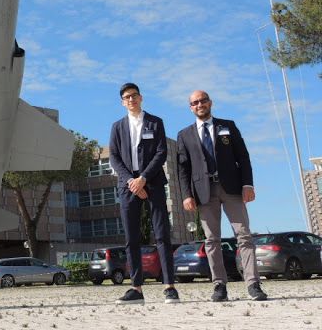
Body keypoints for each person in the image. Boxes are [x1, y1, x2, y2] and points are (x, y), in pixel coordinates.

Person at [176, 90, 267, 302]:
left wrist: (247, 184)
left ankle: (253, 284)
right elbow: (183, 169)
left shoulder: (228, 126)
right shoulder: (184, 135)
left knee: (244, 235)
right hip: (204, 193)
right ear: (191, 107)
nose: (200, 104)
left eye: (203, 100)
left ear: (210, 103)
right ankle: (219, 285)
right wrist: (187, 194)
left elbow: (243, 156)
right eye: (195, 102)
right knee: (211, 240)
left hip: (232, 188)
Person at [108, 83, 179, 304]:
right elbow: (114, 157)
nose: (131, 100)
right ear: (122, 102)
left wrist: (143, 179)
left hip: (152, 181)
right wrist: (131, 181)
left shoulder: (155, 122)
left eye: (134, 96)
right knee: (132, 237)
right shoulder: (117, 127)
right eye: (127, 97)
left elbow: (161, 153)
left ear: (141, 98)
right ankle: (136, 289)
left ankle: (169, 286)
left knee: (161, 234)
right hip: (128, 185)